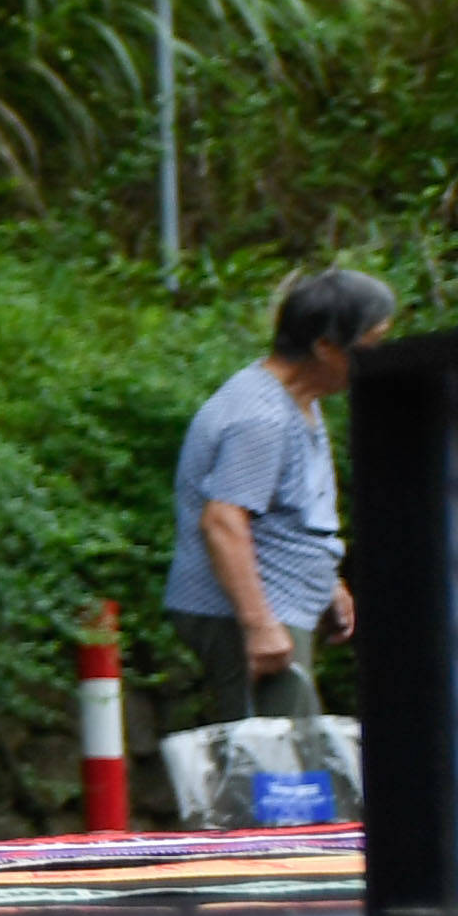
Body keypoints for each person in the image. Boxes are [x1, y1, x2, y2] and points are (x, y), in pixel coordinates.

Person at [165, 269, 391, 726]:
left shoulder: (298, 400)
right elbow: (222, 522)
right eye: (372, 343)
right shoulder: (261, 417)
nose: (381, 356)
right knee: (278, 772)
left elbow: (289, 509)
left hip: (281, 602)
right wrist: (259, 625)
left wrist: (327, 580)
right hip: (246, 612)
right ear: (326, 347)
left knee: (292, 758)